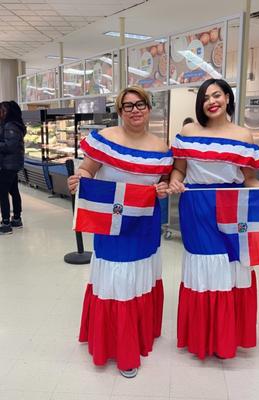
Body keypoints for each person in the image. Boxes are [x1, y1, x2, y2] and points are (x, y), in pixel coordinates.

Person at [168, 78, 259, 360]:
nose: (212, 101)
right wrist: (174, 182)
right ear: (200, 103)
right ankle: (202, 336)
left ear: (227, 98)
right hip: (197, 208)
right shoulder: (188, 131)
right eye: (206, 97)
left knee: (231, 267)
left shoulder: (243, 135)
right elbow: (179, 171)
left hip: (233, 208)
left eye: (217, 95)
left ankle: (226, 336)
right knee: (205, 266)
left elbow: (249, 179)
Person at [68, 86, 173, 378]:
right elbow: (88, 169)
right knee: (117, 279)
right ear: (120, 110)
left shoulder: (162, 148)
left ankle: (137, 335)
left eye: (140, 104)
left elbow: (161, 186)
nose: (135, 110)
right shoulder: (104, 140)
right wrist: (81, 179)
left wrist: (162, 190)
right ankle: (119, 347)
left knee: (138, 277)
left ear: (149, 108)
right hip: (110, 222)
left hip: (144, 223)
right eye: (128, 106)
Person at [0, 101, 26, 235]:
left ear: (8, 112)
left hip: (8, 164)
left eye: (2, 110)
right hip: (12, 163)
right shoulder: (13, 125)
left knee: (2, 192)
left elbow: (10, 146)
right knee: (13, 190)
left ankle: (6, 224)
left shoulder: (10, 126)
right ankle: (16, 219)